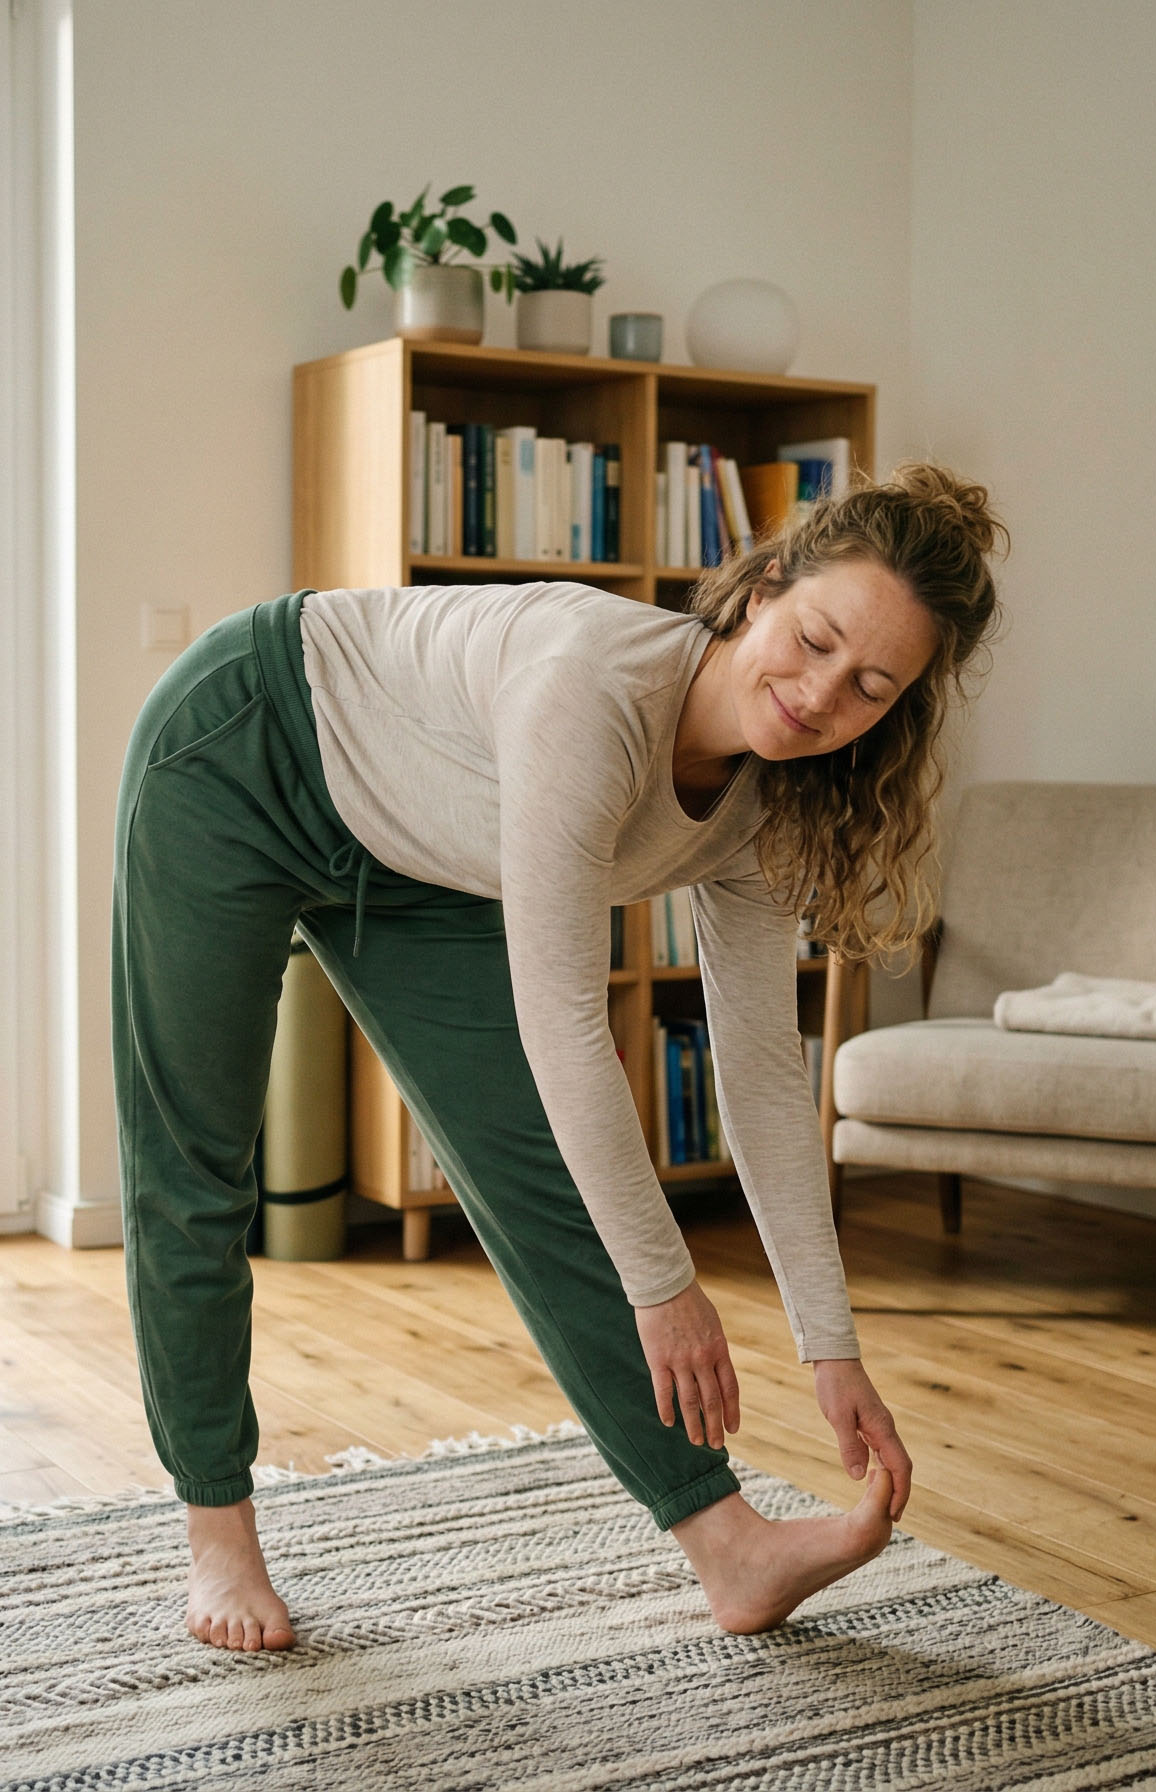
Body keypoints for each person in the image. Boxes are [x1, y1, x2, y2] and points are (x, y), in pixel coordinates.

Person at [113, 461, 1005, 1652]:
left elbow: (758, 1070)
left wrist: (827, 1343)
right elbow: (565, 1021)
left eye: (870, 685)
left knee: (547, 1176)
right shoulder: (590, 689)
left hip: (421, 849)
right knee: (199, 1164)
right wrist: (668, 1284)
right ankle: (218, 1532)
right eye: (815, 639)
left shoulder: (770, 802)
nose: (818, 694)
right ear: (762, 589)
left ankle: (727, 1545)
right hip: (245, 748)